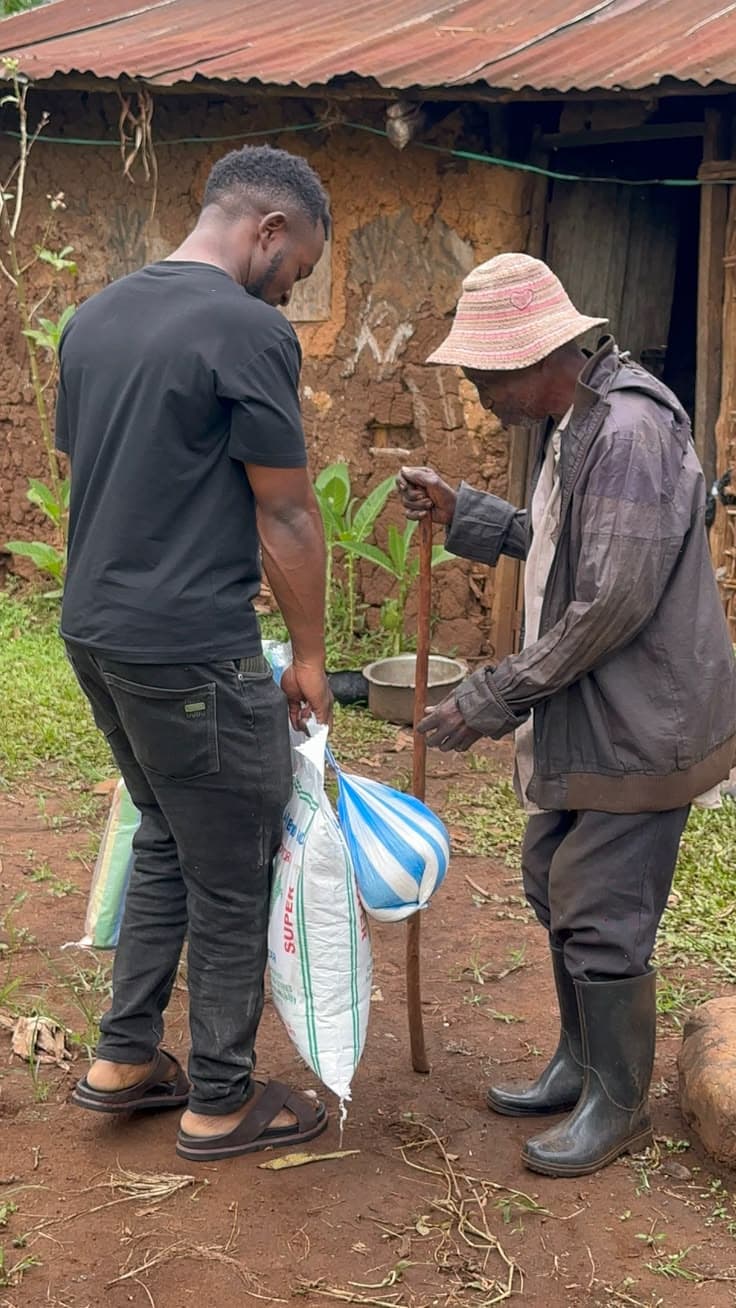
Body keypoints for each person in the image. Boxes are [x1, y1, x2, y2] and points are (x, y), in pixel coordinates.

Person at [398, 253, 736, 1178]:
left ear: (534, 356)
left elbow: (609, 604)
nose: (475, 389)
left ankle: (618, 1105)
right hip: (596, 714)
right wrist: (464, 510)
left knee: (601, 905)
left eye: (481, 373)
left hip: (640, 723)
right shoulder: (580, 419)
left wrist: (494, 696)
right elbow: (558, 550)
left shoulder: (627, 431)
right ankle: (582, 1064)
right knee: (555, 876)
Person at [57, 145, 333, 1161]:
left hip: (96, 638)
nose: (290, 291)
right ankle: (220, 1101)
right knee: (231, 873)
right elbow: (289, 509)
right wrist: (308, 653)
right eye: (295, 268)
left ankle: (125, 1058)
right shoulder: (243, 328)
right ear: (267, 230)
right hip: (189, 655)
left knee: (167, 835)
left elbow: (106, 477)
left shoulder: (95, 317)